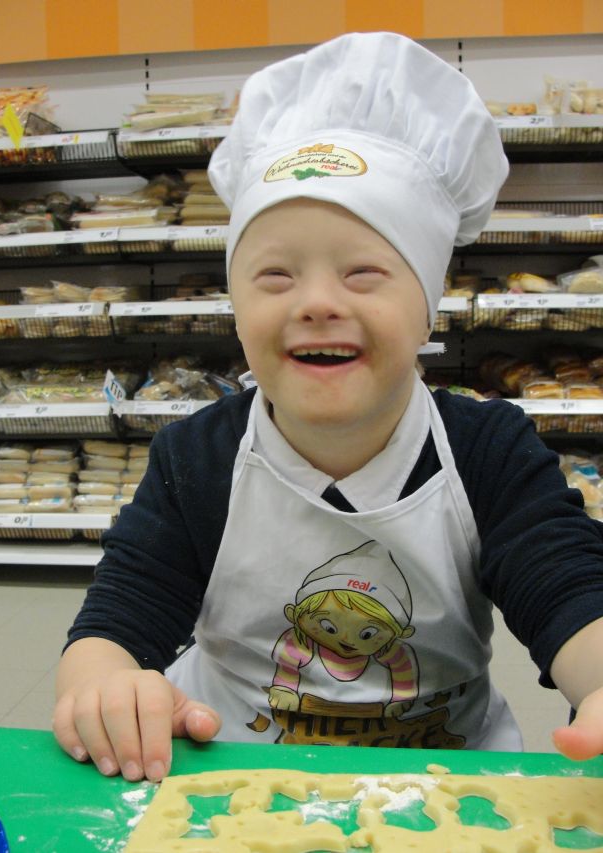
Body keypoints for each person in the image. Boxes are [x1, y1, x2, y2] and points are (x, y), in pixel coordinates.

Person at [54, 32, 603, 783]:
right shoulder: (198, 458)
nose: (316, 302)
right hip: (231, 772)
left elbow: (568, 587)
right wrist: (104, 686)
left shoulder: (487, 451)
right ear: (236, 308)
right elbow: (120, 617)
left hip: (442, 782)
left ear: (429, 305)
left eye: (364, 272)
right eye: (275, 276)